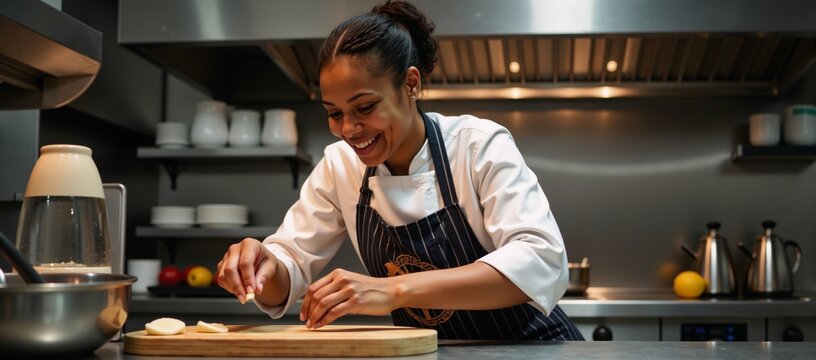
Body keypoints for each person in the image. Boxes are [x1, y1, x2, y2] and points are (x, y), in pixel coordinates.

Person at [217, 0, 583, 341]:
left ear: (411, 84)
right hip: (427, 352)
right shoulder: (339, 165)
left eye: (365, 107)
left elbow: (540, 259)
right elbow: (290, 266)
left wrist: (393, 290)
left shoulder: (476, 145)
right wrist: (264, 266)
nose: (348, 129)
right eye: (334, 113)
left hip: (531, 347)